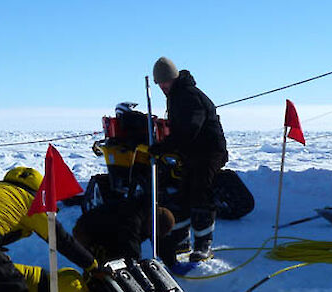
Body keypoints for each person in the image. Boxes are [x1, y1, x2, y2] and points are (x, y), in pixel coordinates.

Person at [147, 56, 228, 265]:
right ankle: (181, 240)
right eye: (159, 84)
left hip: (209, 151)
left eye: (164, 82)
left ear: (173, 78)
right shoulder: (175, 94)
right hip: (192, 152)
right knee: (182, 196)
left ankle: (203, 245)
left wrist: (164, 146)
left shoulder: (189, 96)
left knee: (201, 193)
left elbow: (190, 130)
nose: (162, 87)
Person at [72, 198, 175, 265]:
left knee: (120, 256)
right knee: (104, 266)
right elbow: (132, 247)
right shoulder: (133, 219)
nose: (151, 235)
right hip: (86, 231)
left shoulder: (148, 213)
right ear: (153, 223)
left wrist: (171, 262)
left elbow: (159, 244)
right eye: (153, 232)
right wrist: (138, 267)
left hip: (112, 233)